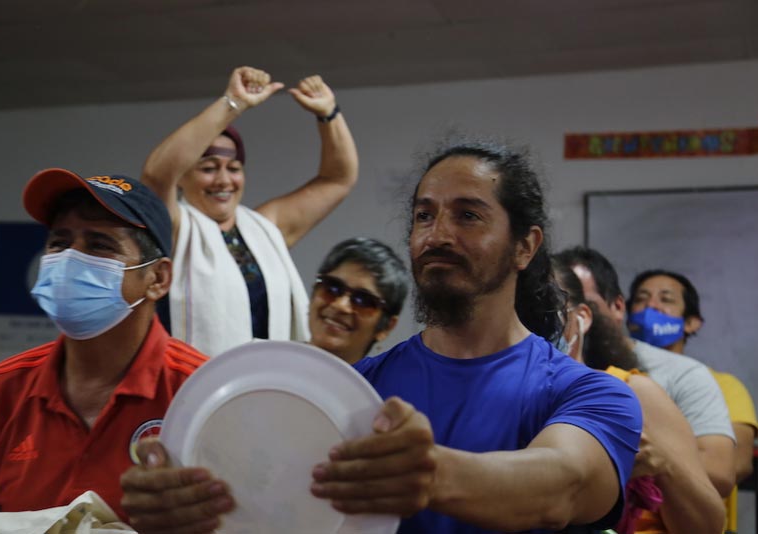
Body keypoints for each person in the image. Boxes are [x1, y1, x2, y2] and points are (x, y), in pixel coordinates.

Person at [120, 139, 642, 533]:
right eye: (424, 215)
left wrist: (431, 475)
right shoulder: (350, 392)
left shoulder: (591, 394)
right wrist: (187, 503)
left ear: (525, 247)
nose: (437, 234)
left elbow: (563, 483)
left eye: (468, 215)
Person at [0, 169, 209, 534]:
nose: (70, 259)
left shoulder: (199, 393)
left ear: (157, 279)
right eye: (59, 242)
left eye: (99, 244)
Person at [140, 66, 359, 357]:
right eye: (208, 168)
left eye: (233, 168)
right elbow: (156, 175)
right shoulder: (175, 227)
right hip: (196, 389)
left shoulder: (266, 227)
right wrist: (233, 102)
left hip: (268, 384)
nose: (223, 180)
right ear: (182, 178)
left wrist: (329, 113)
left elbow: (337, 178)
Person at [552, 259, 724, 534]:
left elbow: (711, 511)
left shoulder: (636, 390)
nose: (651, 308)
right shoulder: (511, 397)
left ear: (582, 317)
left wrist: (663, 465)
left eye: (547, 309)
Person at [627, 269, 757, 533]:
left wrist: (647, 463)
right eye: (642, 299)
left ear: (692, 323)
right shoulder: (613, 378)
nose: (652, 306)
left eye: (666, 299)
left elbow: (737, 464)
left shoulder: (723, 385)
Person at [308, 237, 410, 364]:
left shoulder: (380, 384)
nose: (341, 305)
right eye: (332, 288)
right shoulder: (276, 362)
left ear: (386, 327)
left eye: (363, 300)